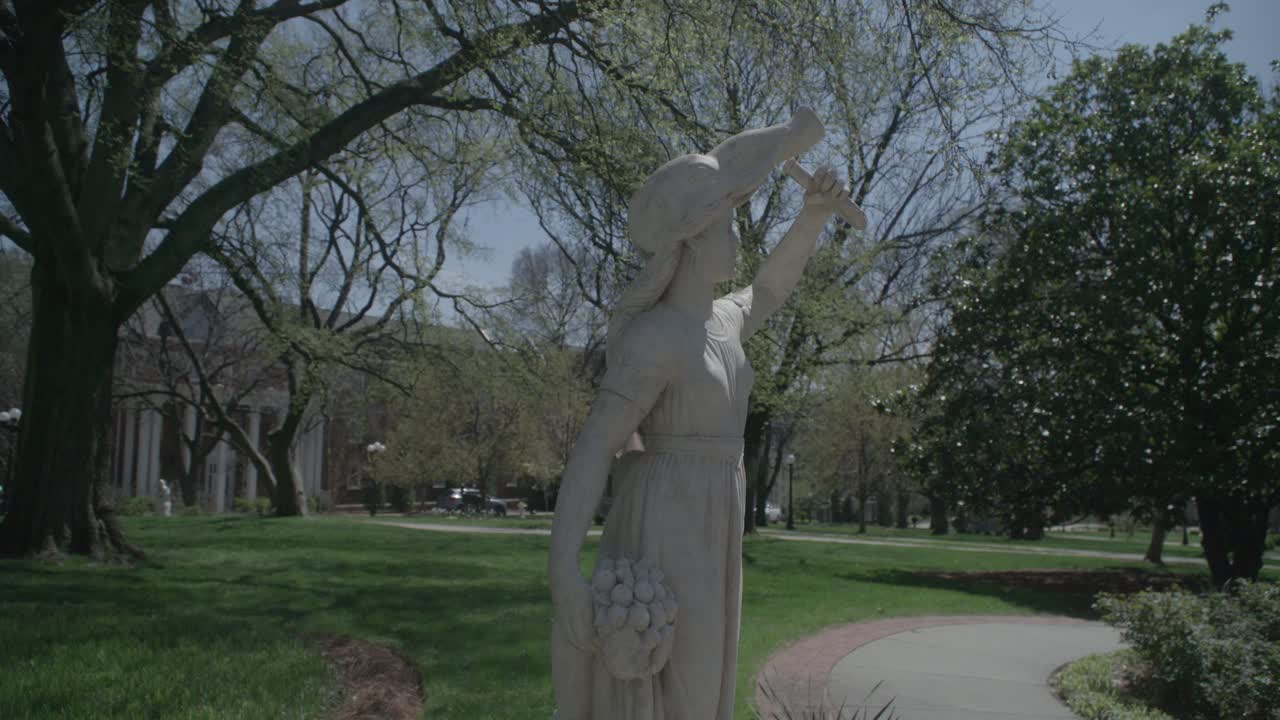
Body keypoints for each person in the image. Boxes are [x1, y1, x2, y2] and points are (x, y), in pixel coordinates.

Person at [548, 108, 857, 720]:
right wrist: (565, 572)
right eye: (729, 226)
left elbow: (769, 290)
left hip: (716, 509)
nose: (739, 240)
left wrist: (813, 217)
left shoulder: (722, 322)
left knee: (710, 676)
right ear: (693, 236)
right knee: (681, 685)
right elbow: (592, 450)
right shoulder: (656, 339)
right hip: (669, 515)